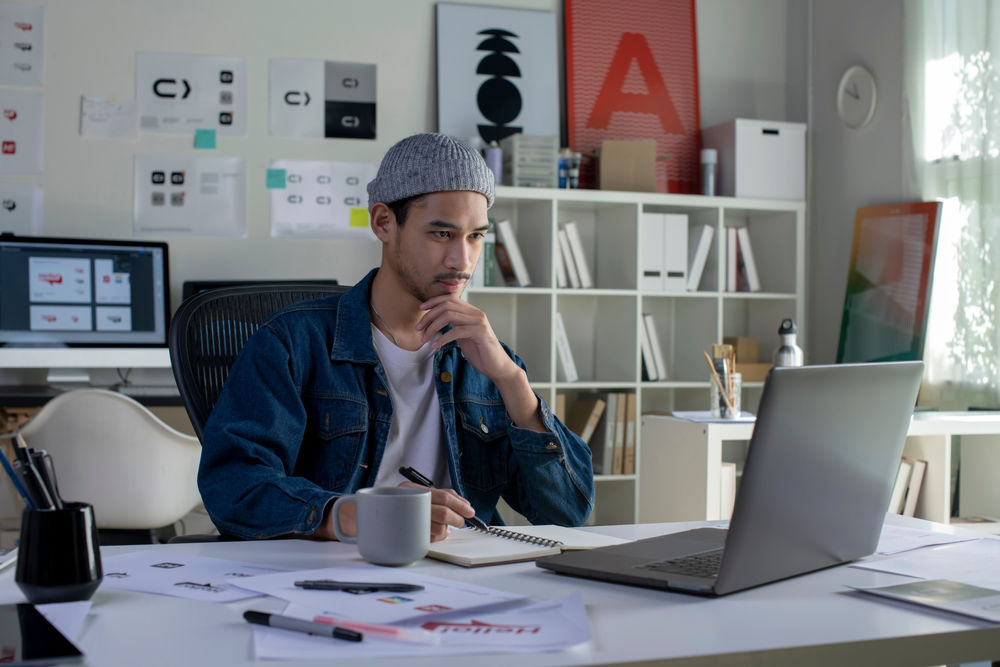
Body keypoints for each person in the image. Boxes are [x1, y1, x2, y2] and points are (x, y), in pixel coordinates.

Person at [198, 133, 594, 541]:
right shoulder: (293, 342)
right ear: (383, 222)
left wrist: (513, 381)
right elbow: (233, 487)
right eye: (442, 234)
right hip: (333, 575)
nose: (463, 260)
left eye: (476, 236)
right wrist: (352, 514)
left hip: (462, 576)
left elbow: (567, 512)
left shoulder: (487, 359)